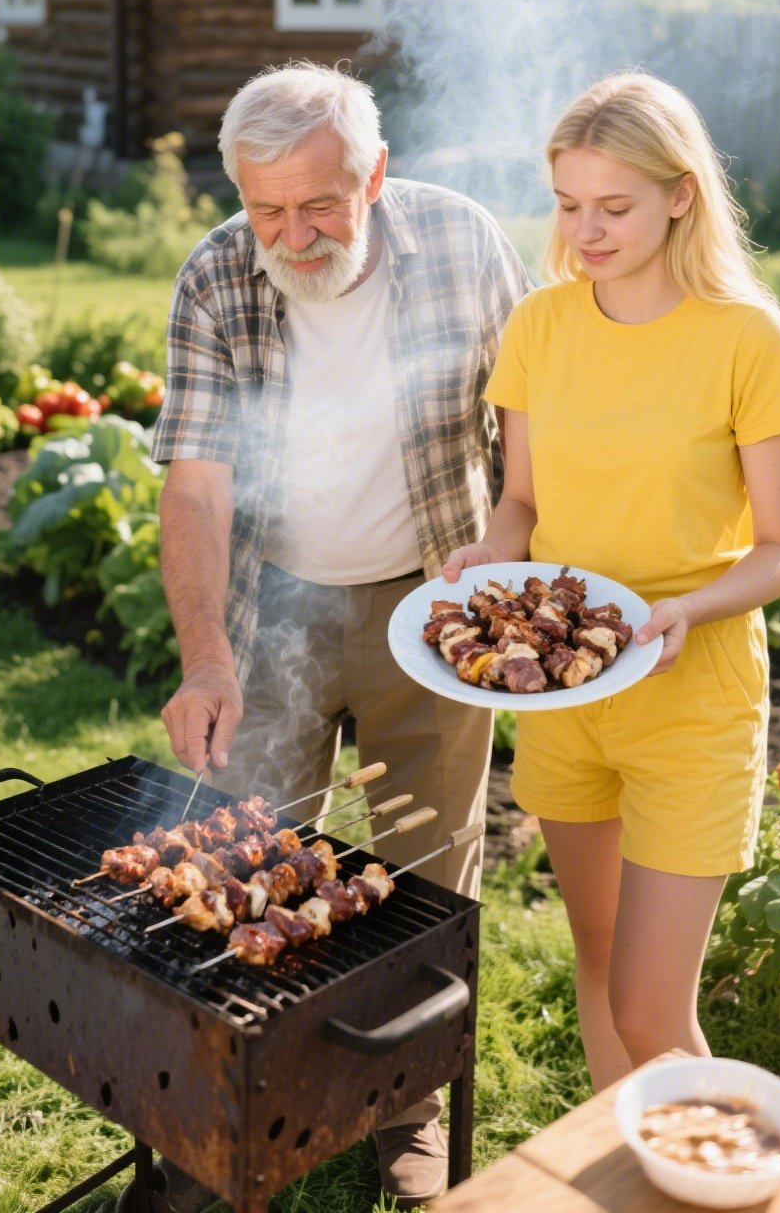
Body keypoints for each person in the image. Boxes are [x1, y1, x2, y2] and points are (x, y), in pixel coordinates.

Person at [117, 61, 529, 1213]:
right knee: (247, 862)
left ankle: (407, 1110)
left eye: (320, 205)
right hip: (275, 606)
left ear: (377, 175)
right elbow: (195, 482)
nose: (292, 235)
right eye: (267, 209)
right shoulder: (214, 272)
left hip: (430, 607)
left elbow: (530, 418)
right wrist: (209, 658)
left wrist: (513, 546)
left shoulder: (463, 243)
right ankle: (222, 1120)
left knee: (426, 868)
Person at [443, 71, 780, 1091]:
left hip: (691, 695)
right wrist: (488, 550)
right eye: (569, 204)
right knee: (602, 970)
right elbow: (522, 504)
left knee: (654, 1008)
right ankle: (641, 1182)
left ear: (681, 194)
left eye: (615, 207)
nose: (586, 230)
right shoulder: (541, 325)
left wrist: (688, 607)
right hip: (564, 692)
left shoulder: (745, 338)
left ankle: (755, 1187)